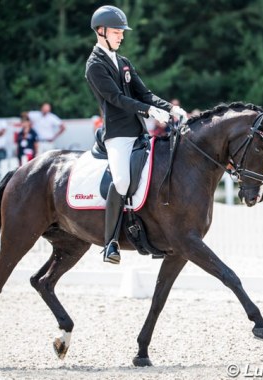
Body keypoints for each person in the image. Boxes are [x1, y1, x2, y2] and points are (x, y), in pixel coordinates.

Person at [85, 5, 187, 264]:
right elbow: (116, 99)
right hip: (118, 135)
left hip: (139, 134)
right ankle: (110, 243)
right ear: (101, 31)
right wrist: (148, 111)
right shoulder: (94, 66)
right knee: (121, 182)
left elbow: (145, 92)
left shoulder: (123, 62)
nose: (122, 36)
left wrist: (171, 108)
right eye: (117, 32)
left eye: (122, 32)